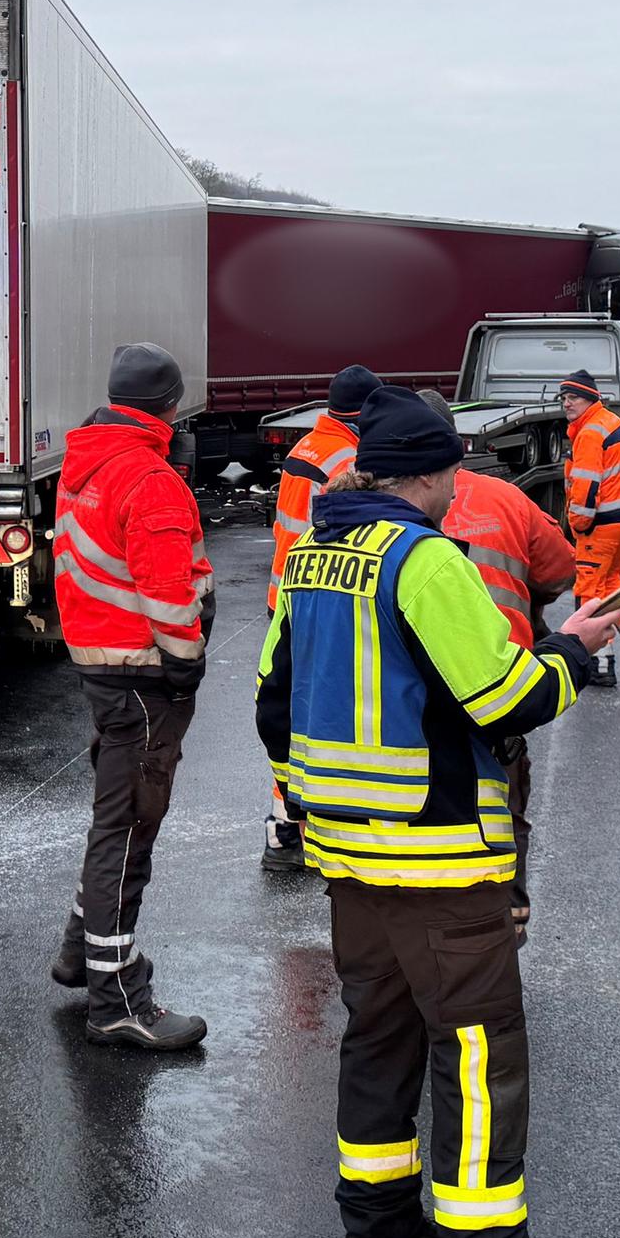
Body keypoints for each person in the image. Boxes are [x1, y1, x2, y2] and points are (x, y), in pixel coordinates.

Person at [255, 384, 620, 1238]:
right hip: (440, 859)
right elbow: (502, 701)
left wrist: (324, 800)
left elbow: (269, 702)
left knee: (379, 1037)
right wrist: (574, 654)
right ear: (433, 474)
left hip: (347, 857)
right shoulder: (424, 562)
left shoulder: (309, 560)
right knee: (474, 1062)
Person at [49, 342, 213, 1052]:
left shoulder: (88, 460)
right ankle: (117, 1000)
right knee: (127, 832)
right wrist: (188, 664)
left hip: (104, 667)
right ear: (170, 406)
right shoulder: (149, 477)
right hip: (146, 676)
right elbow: (167, 591)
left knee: (113, 821)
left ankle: (79, 954)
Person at [418, 388, 577, 941]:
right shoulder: (508, 499)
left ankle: (426, 921)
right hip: (499, 683)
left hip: (411, 694)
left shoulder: (370, 513)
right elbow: (560, 572)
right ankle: (507, 916)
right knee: (504, 806)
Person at [262, 364, 381, 873]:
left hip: (284, 594)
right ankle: (303, 825)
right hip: (318, 594)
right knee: (321, 715)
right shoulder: (348, 457)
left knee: (288, 711)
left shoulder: (307, 445)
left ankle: (282, 825)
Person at [559, 369, 620, 685]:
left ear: (590, 399)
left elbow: (585, 485)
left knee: (589, 592)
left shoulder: (588, 433)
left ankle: (599, 665)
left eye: (573, 397)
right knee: (611, 584)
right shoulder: (612, 423)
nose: (566, 403)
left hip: (599, 525)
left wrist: (578, 525)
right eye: (564, 397)